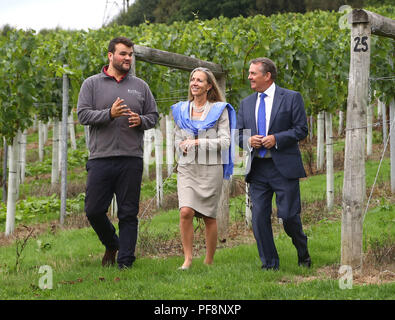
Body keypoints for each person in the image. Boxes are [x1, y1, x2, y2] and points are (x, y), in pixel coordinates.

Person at [77, 37, 159, 269]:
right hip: (100, 158)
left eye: (130, 54)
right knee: (93, 210)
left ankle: (126, 263)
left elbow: (153, 116)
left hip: (131, 158)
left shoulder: (140, 86)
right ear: (110, 55)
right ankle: (112, 243)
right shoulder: (91, 84)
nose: (128, 58)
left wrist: (140, 120)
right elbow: (83, 116)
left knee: (128, 213)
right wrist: (109, 114)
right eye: (123, 54)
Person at [236, 57, 311, 271]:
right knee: (259, 218)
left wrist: (277, 138)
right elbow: (238, 134)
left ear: (267, 76)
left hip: (283, 168)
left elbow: (301, 129)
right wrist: (248, 140)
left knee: (288, 216)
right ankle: (270, 265)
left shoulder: (291, 98)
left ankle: (302, 250)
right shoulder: (246, 103)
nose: (249, 77)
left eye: (253, 73)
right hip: (258, 169)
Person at [171, 67, 236, 270]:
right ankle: (188, 259)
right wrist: (180, 145)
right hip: (188, 167)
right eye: (192, 79)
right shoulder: (181, 110)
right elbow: (176, 137)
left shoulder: (219, 110)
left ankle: (208, 260)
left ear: (209, 86)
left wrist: (198, 143)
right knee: (185, 212)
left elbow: (225, 142)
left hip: (211, 168)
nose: (195, 83)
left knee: (209, 216)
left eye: (200, 80)